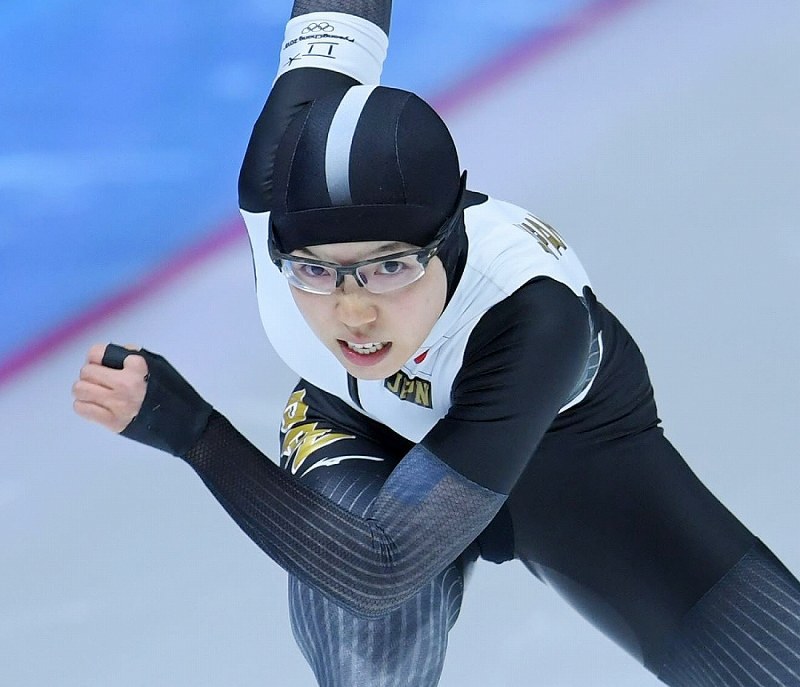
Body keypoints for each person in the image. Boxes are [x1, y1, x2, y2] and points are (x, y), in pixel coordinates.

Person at [72, 1, 800, 685]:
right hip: (358, 427)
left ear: (449, 240)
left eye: (390, 266)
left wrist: (194, 432)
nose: (352, 314)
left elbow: (384, 563)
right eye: (316, 272)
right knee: (370, 628)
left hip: (566, 459)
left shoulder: (531, 317)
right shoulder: (279, 176)